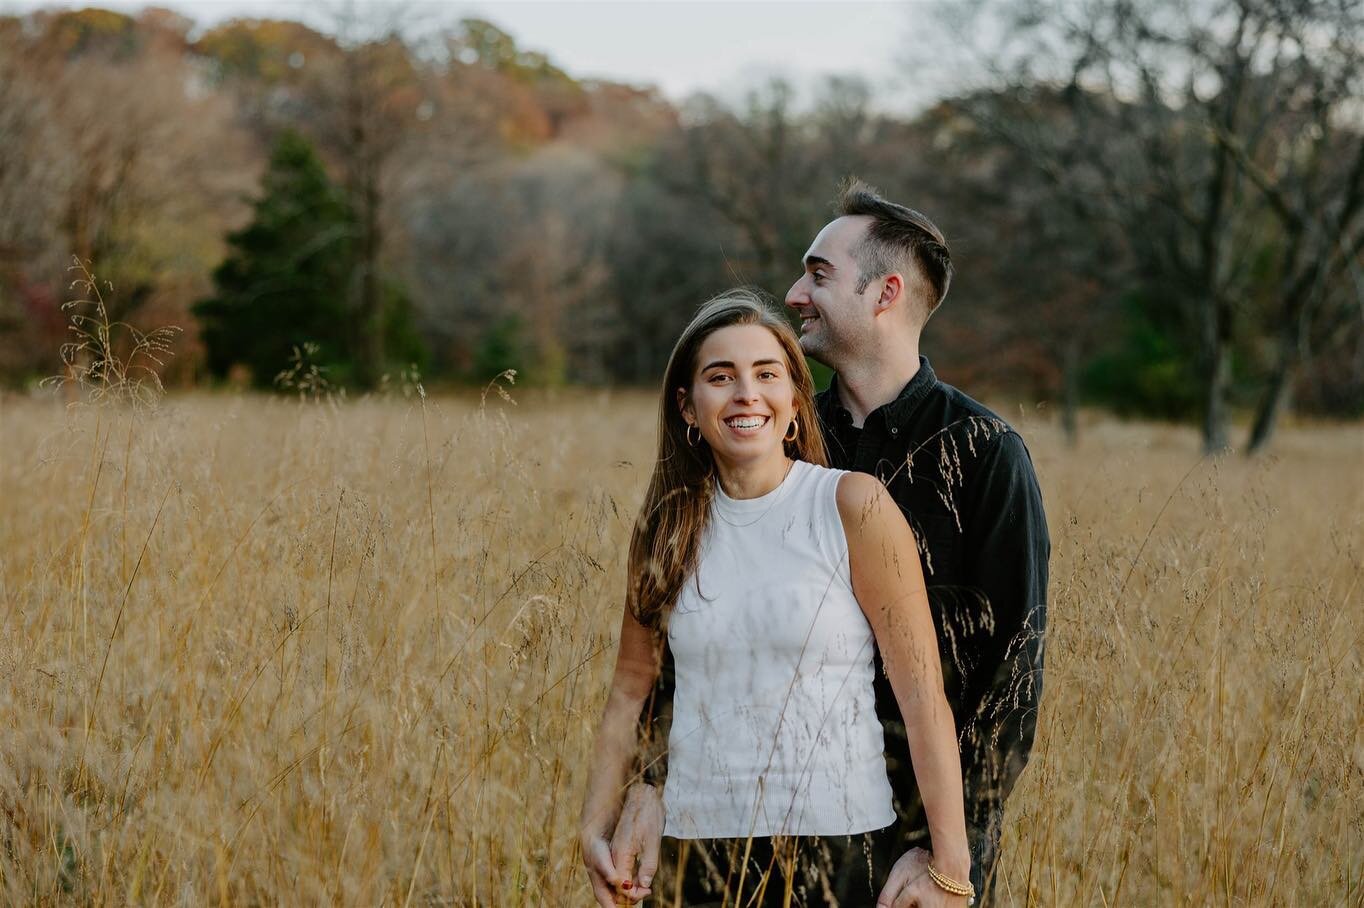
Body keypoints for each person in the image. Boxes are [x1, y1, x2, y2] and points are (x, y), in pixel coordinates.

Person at [609, 181, 1051, 905]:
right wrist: (650, 785)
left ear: (886, 293)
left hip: (920, 855)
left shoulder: (982, 452)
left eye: (818, 274)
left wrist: (950, 856)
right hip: (761, 838)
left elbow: (1014, 675)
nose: (795, 293)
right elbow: (683, 633)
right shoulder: (771, 435)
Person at [578, 289, 976, 907]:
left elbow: (923, 692)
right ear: (688, 406)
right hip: (696, 854)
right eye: (720, 376)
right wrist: (595, 825)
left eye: (767, 374)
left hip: (839, 848)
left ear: (794, 403)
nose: (745, 393)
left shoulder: (851, 505)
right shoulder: (667, 527)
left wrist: (950, 866)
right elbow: (631, 688)